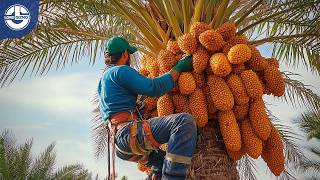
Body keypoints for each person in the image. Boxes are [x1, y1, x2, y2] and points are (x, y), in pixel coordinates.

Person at [97, 36, 197, 180]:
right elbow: (153, 87)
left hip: (120, 145)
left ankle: (157, 173)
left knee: (163, 162)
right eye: (129, 54)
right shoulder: (121, 71)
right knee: (183, 122)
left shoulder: (103, 81)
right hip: (129, 134)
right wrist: (179, 67)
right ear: (125, 54)